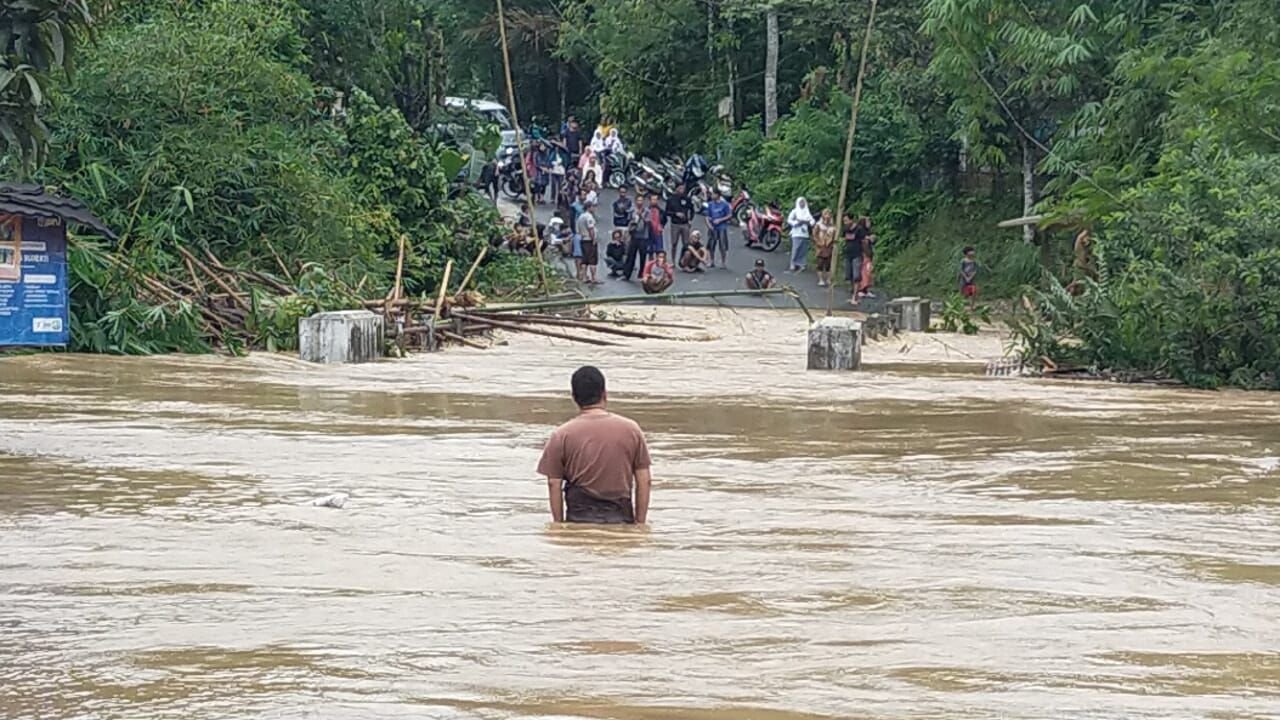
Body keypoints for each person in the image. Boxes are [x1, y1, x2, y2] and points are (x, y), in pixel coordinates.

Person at [537, 366, 652, 525]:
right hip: (620, 515)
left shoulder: (561, 435)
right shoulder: (632, 429)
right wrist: (640, 523)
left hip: (579, 516)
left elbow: (553, 483)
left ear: (574, 397)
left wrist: (559, 525)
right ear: (605, 394)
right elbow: (644, 480)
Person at [704, 189, 732, 268]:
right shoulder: (710, 204)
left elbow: (729, 215)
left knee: (722, 245)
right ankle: (712, 261)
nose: (712, 196)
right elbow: (707, 216)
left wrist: (720, 220)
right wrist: (709, 225)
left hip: (722, 227)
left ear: (718, 195)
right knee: (711, 245)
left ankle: (723, 262)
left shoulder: (725, 204)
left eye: (713, 194)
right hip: (713, 227)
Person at [665, 183, 694, 259]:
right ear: (676, 189)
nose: (682, 190)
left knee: (686, 244)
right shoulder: (671, 199)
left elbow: (692, 210)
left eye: (683, 188)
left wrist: (690, 219)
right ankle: (673, 260)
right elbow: (667, 212)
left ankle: (683, 260)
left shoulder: (687, 199)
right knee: (674, 243)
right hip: (675, 224)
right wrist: (675, 214)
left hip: (685, 224)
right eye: (680, 188)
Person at [575, 198, 600, 285]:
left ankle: (584, 277)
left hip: (583, 239)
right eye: (593, 207)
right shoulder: (589, 217)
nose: (594, 209)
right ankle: (593, 277)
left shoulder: (580, 217)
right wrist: (593, 239)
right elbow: (591, 229)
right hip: (589, 240)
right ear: (589, 207)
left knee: (584, 259)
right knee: (592, 259)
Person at [844, 215, 868, 305]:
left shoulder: (859, 229)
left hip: (857, 254)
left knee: (856, 276)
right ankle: (853, 294)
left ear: (851, 220)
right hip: (848, 254)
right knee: (849, 275)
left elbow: (864, 241)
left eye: (846, 221)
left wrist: (865, 253)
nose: (845, 223)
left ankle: (855, 296)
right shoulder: (845, 229)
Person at [787, 197, 815, 272]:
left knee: (803, 250)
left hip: (804, 233)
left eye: (803, 202)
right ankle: (793, 263)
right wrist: (796, 223)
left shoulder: (807, 212)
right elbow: (789, 220)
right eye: (800, 202)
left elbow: (812, 221)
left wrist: (808, 223)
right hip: (796, 233)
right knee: (795, 249)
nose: (802, 204)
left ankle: (801, 263)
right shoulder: (795, 211)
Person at [628, 194, 651, 276]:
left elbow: (648, 221)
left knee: (643, 256)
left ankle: (641, 273)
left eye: (641, 200)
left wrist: (641, 215)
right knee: (631, 255)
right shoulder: (632, 210)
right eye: (638, 200)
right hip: (634, 235)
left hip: (643, 236)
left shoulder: (647, 211)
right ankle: (627, 273)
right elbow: (629, 220)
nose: (640, 202)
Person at [812, 209, 836, 287]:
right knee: (820, 263)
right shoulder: (818, 225)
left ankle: (828, 279)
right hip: (820, 246)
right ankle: (821, 279)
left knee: (828, 264)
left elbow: (835, 236)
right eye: (826, 214)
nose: (827, 216)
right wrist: (818, 243)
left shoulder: (833, 227)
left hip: (829, 247)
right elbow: (814, 235)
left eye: (829, 214)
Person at [645, 193, 666, 260]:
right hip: (649, 232)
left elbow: (665, 219)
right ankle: (650, 265)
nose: (654, 201)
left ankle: (658, 265)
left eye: (656, 199)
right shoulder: (646, 210)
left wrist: (662, 226)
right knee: (650, 250)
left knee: (659, 250)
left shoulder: (661, 211)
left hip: (658, 232)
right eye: (653, 199)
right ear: (650, 200)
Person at [858, 232, 876, 299]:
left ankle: (866, 290)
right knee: (864, 274)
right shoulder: (864, 242)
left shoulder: (869, 243)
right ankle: (861, 289)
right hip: (865, 258)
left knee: (869, 275)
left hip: (868, 259)